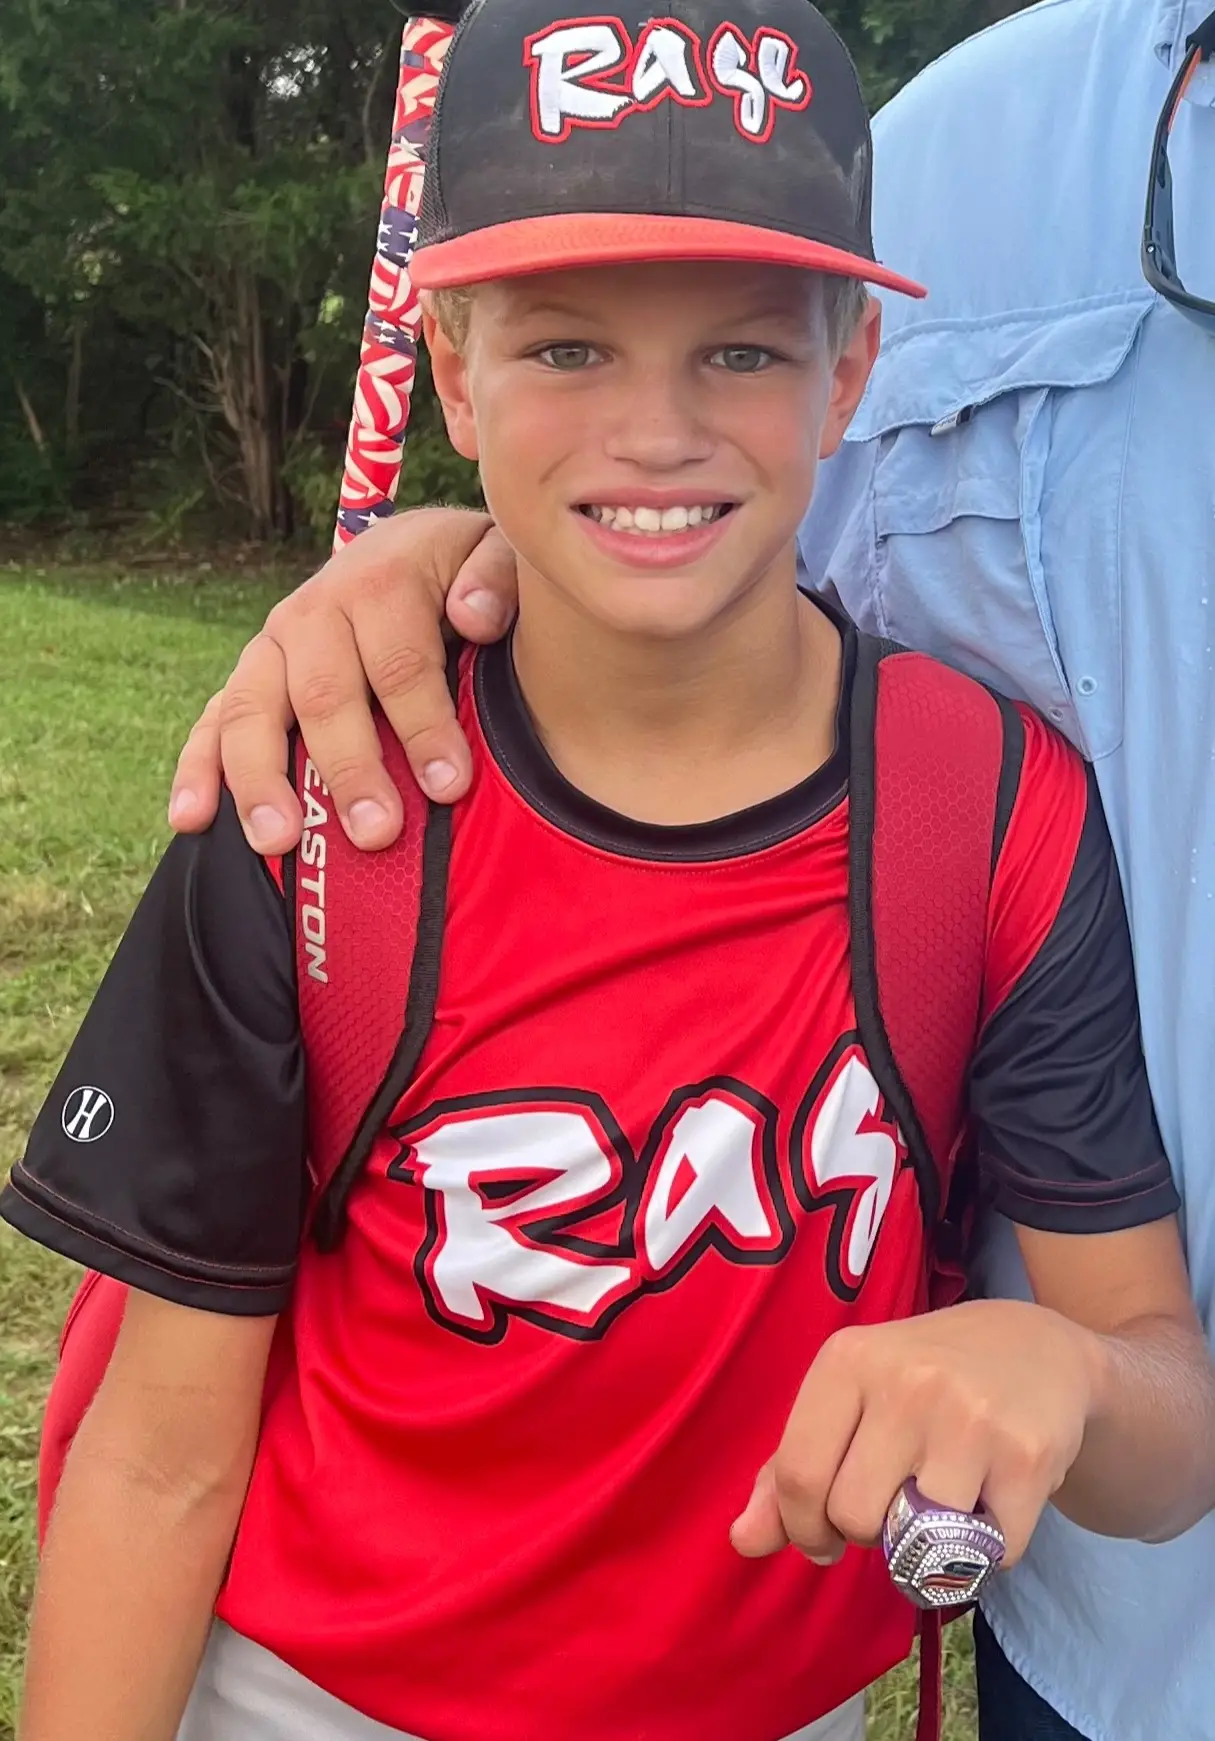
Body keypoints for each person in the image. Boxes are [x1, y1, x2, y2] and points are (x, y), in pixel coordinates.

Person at [10, 5, 1215, 1741]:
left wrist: (1068, 1371)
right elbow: (156, 1459)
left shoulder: (984, 809)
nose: (655, 432)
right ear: (452, 370)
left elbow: (1164, 1432)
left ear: (851, 372)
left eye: (740, 352)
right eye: (568, 347)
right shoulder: (325, 800)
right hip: (318, 1700)